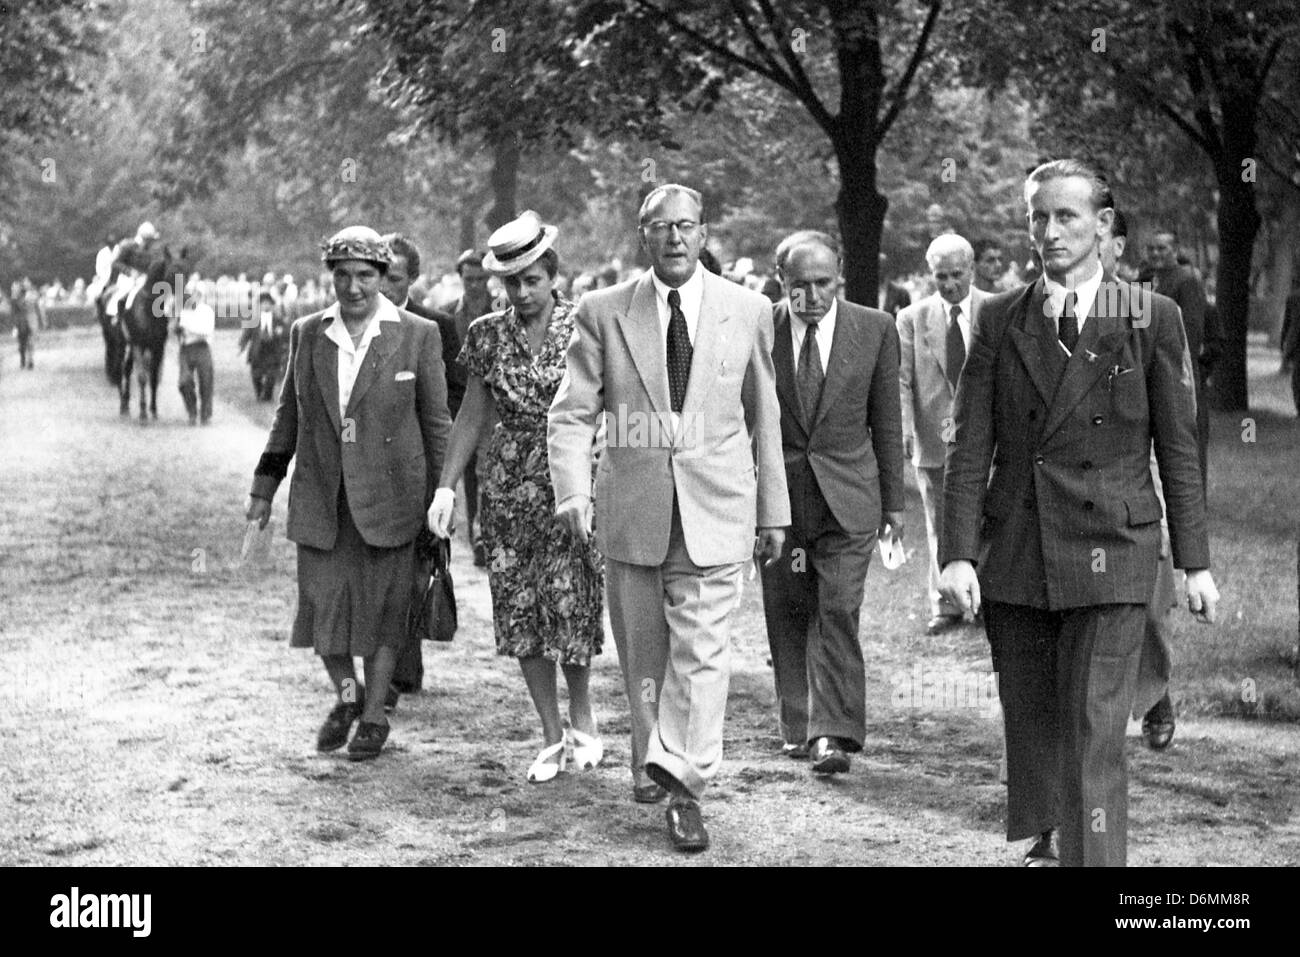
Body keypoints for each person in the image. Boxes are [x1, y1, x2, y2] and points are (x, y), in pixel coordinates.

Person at [939, 160, 1218, 867]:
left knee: (1096, 728)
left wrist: (1195, 562)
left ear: (1103, 225)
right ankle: (1049, 829)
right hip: (1021, 549)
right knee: (1032, 718)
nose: (1049, 231)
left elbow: (1179, 449)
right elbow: (969, 444)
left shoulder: (1152, 317)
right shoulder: (1000, 317)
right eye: (1037, 215)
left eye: (1066, 216)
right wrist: (957, 554)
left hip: (1114, 548)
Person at [547, 184, 789, 852]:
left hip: (719, 507)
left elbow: (764, 415)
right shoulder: (603, 311)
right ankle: (650, 755)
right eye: (661, 226)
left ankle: (683, 784)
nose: (675, 237)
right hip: (632, 508)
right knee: (646, 654)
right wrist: (572, 492)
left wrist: (774, 509)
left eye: (686, 225)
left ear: (704, 231)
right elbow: (571, 412)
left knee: (704, 653)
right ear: (642, 235)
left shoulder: (748, 309)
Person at [244, 226, 450, 761]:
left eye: (364, 275)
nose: (353, 287)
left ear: (383, 278)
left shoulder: (417, 334)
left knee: (386, 614)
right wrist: (264, 489)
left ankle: (375, 714)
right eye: (342, 275)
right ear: (330, 277)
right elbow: (288, 416)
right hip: (323, 498)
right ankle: (348, 694)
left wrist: (444, 493)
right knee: (322, 613)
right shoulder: (307, 333)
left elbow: (436, 425)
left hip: (393, 501)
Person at [427, 212, 605, 784]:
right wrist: (446, 487)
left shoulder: (587, 325)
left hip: (572, 481)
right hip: (506, 487)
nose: (523, 292)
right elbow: (472, 413)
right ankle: (551, 735)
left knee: (573, 600)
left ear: (553, 274)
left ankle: (583, 715)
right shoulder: (484, 334)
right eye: (512, 282)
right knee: (521, 607)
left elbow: (612, 405)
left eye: (532, 279)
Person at [761, 230, 905, 773]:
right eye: (801, 285)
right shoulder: (758, 328)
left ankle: (834, 734)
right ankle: (797, 722)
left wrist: (894, 504)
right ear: (783, 282)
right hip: (779, 501)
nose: (813, 295)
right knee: (787, 608)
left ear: (840, 274)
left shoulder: (874, 329)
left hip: (850, 499)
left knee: (839, 608)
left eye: (824, 282)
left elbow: (887, 421)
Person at [380, 232, 465, 709]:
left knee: (413, 569)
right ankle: (386, 671)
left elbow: (455, 398)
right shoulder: (353, 326)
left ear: (411, 280)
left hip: (419, 470)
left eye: (393, 279)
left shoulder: (435, 326)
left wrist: (444, 476)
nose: (383, 289)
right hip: (368, 467)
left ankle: (400, 665)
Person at [897, 234, 990, 635]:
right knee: (939, 523)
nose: (949, 284)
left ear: (971, 269)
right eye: (940, 277)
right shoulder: (912, 318)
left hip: (988, 438)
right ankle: (945, 604)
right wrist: (903, 427)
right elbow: (900, 379)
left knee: (990, 520)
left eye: (956, 275)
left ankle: (987, 600)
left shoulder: (996, 310)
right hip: (934, 438)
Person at [449, 249, 494, 567]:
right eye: (469, 279)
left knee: (489, 468)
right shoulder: (448, 314)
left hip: (494, 405)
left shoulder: (503, 309)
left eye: (480, 279)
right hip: (459, 403)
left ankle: (485, 534)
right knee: (466, 469)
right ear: (460, 279)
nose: (475, 285)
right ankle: (474, 532)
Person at [239, 291, 289, 401]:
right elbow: (246, 333)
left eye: (268, 304)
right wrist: (242, 345)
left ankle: (267, 395)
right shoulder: (253, 319)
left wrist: (281, 332)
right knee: (256, 375)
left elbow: (287, 332)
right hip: (258, 350)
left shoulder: (278, 320)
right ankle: (259, 393)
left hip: (272, 350)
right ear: (260, 305)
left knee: (271, 375)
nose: (265, 306)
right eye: (263, 303)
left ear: (272, 305)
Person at [175, 292, 215, 425]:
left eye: (197, 295)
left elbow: (206, 331)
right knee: (184, 381)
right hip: (186, 349)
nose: (194, 298)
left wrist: (187, 328)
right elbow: (177, 330)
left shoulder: (207, 311)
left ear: (201, 296)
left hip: (202, 347)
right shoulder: (184, 311)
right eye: (191, 295)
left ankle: (205, 414)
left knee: (206, 381)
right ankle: (192, 411)